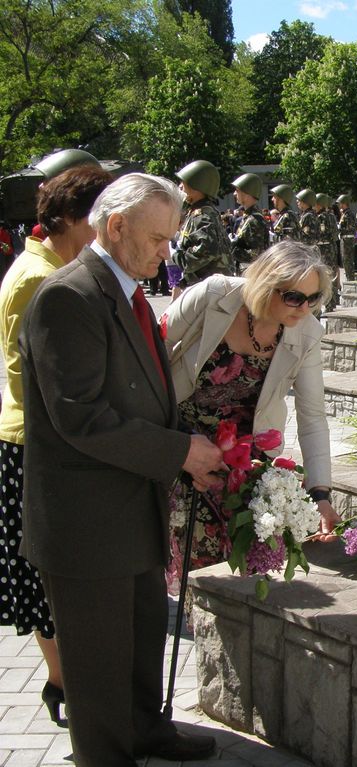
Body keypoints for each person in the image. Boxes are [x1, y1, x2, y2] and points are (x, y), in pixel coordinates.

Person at [18, 173, 226, 765]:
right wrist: (179, 452)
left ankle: (145, 729)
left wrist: (185, 444)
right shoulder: (68, 297)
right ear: (117, 228)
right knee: (97, 662)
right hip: (87, 522)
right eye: (160, 239)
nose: (169, 252)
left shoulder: (127, 293)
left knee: (139, 640)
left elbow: (145, 395)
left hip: (131, 506)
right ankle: (108, 753)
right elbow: (80, 417)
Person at [0, 165, 112, 728]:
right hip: (32, 446)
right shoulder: (38, 277)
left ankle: (66, 682)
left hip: (40, 442)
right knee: (46, 575)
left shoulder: (52, 266)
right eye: (98, 219)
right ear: (71, 218)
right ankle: (62, 682)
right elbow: (35, 378)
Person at [159, 241, 342, 583]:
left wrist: (320, 494)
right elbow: (150, 354)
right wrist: (178, 443)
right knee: (198, 571)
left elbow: (313, 417)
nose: (304, 308)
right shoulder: (213, 295)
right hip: (181, 444)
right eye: (293, 297)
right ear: (264, 284)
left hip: (246, 466)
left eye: (313, 298)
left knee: (246, 570)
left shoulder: (308, 332)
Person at [173, 160, 233, 296]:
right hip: (208, 288)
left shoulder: (202, 215)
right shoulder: (202, 212)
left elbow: (206, 251)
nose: (180, 187)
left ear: (196, 187)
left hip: (208, 290)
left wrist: (175, 255)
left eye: (184, 183)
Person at [230, 173, 269, 268]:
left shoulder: (254, 220)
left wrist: (231, 248)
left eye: (237, 190)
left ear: (247, 195)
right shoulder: (249, 217)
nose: (234, 193)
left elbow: (256, 255)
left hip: (251, 273)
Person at [315, 193, 341, 310]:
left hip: (324, 248)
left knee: (326, 275)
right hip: (331, 247)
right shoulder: (331, 216)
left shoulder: (321, 218)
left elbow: (321, 232)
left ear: (319, 205)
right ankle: (333, 301)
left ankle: (330, 303)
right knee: (332, 274)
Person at [336, 194, 356, 282]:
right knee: (345, 259)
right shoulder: (345, 213)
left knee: (348, 260)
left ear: (344, 203)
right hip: (345, 238)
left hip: (347, 239)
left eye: (340, 203)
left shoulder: (348, 214)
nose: (339, 205)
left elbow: (350, 227)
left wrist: (339, 228)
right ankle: (349, 278)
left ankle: (350, 279)